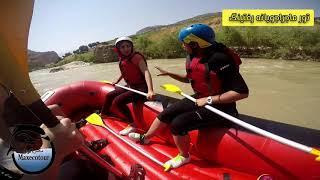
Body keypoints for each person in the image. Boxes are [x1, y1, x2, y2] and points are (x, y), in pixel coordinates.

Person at [129, 24, 249, 170]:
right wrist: (170, 74)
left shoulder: (220, 59)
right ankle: (146, 138)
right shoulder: (194, 55)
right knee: (167, 113)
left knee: (178, 123)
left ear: (195, 43)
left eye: (184, 43)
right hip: (200, 97)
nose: (182, 45)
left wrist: (210, 100)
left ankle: (184, 156)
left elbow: (242, 92)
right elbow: (190, 78)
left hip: (222, 107)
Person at [101, 37, 155, 136]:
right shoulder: (123, 58)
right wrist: (117, 80)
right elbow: (126, 71)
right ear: (119, 49)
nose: (126, 49)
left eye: (128, 46)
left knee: (118, 101)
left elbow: (146, 72)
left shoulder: (137, 57)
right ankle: (104, 114)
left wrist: (150, 90)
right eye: (123, 47)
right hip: (131, 86)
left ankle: (132, 124)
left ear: (131, 47)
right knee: (109, 95)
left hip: (141, 88)